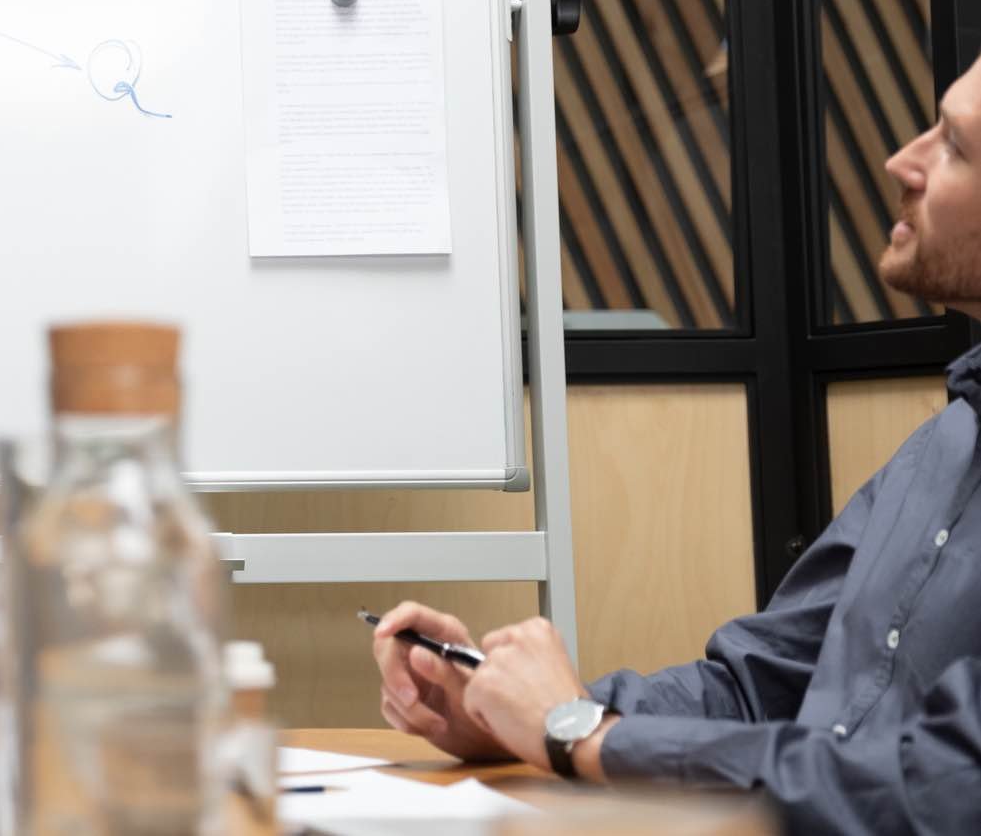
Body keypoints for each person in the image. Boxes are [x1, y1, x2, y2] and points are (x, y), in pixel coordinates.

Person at [372, 51, 981, 836]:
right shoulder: (942, 444)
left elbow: (942, 787)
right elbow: (752, 687)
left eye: (956, 147)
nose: (902, 160)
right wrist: (506, 708)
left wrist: (581, 735)